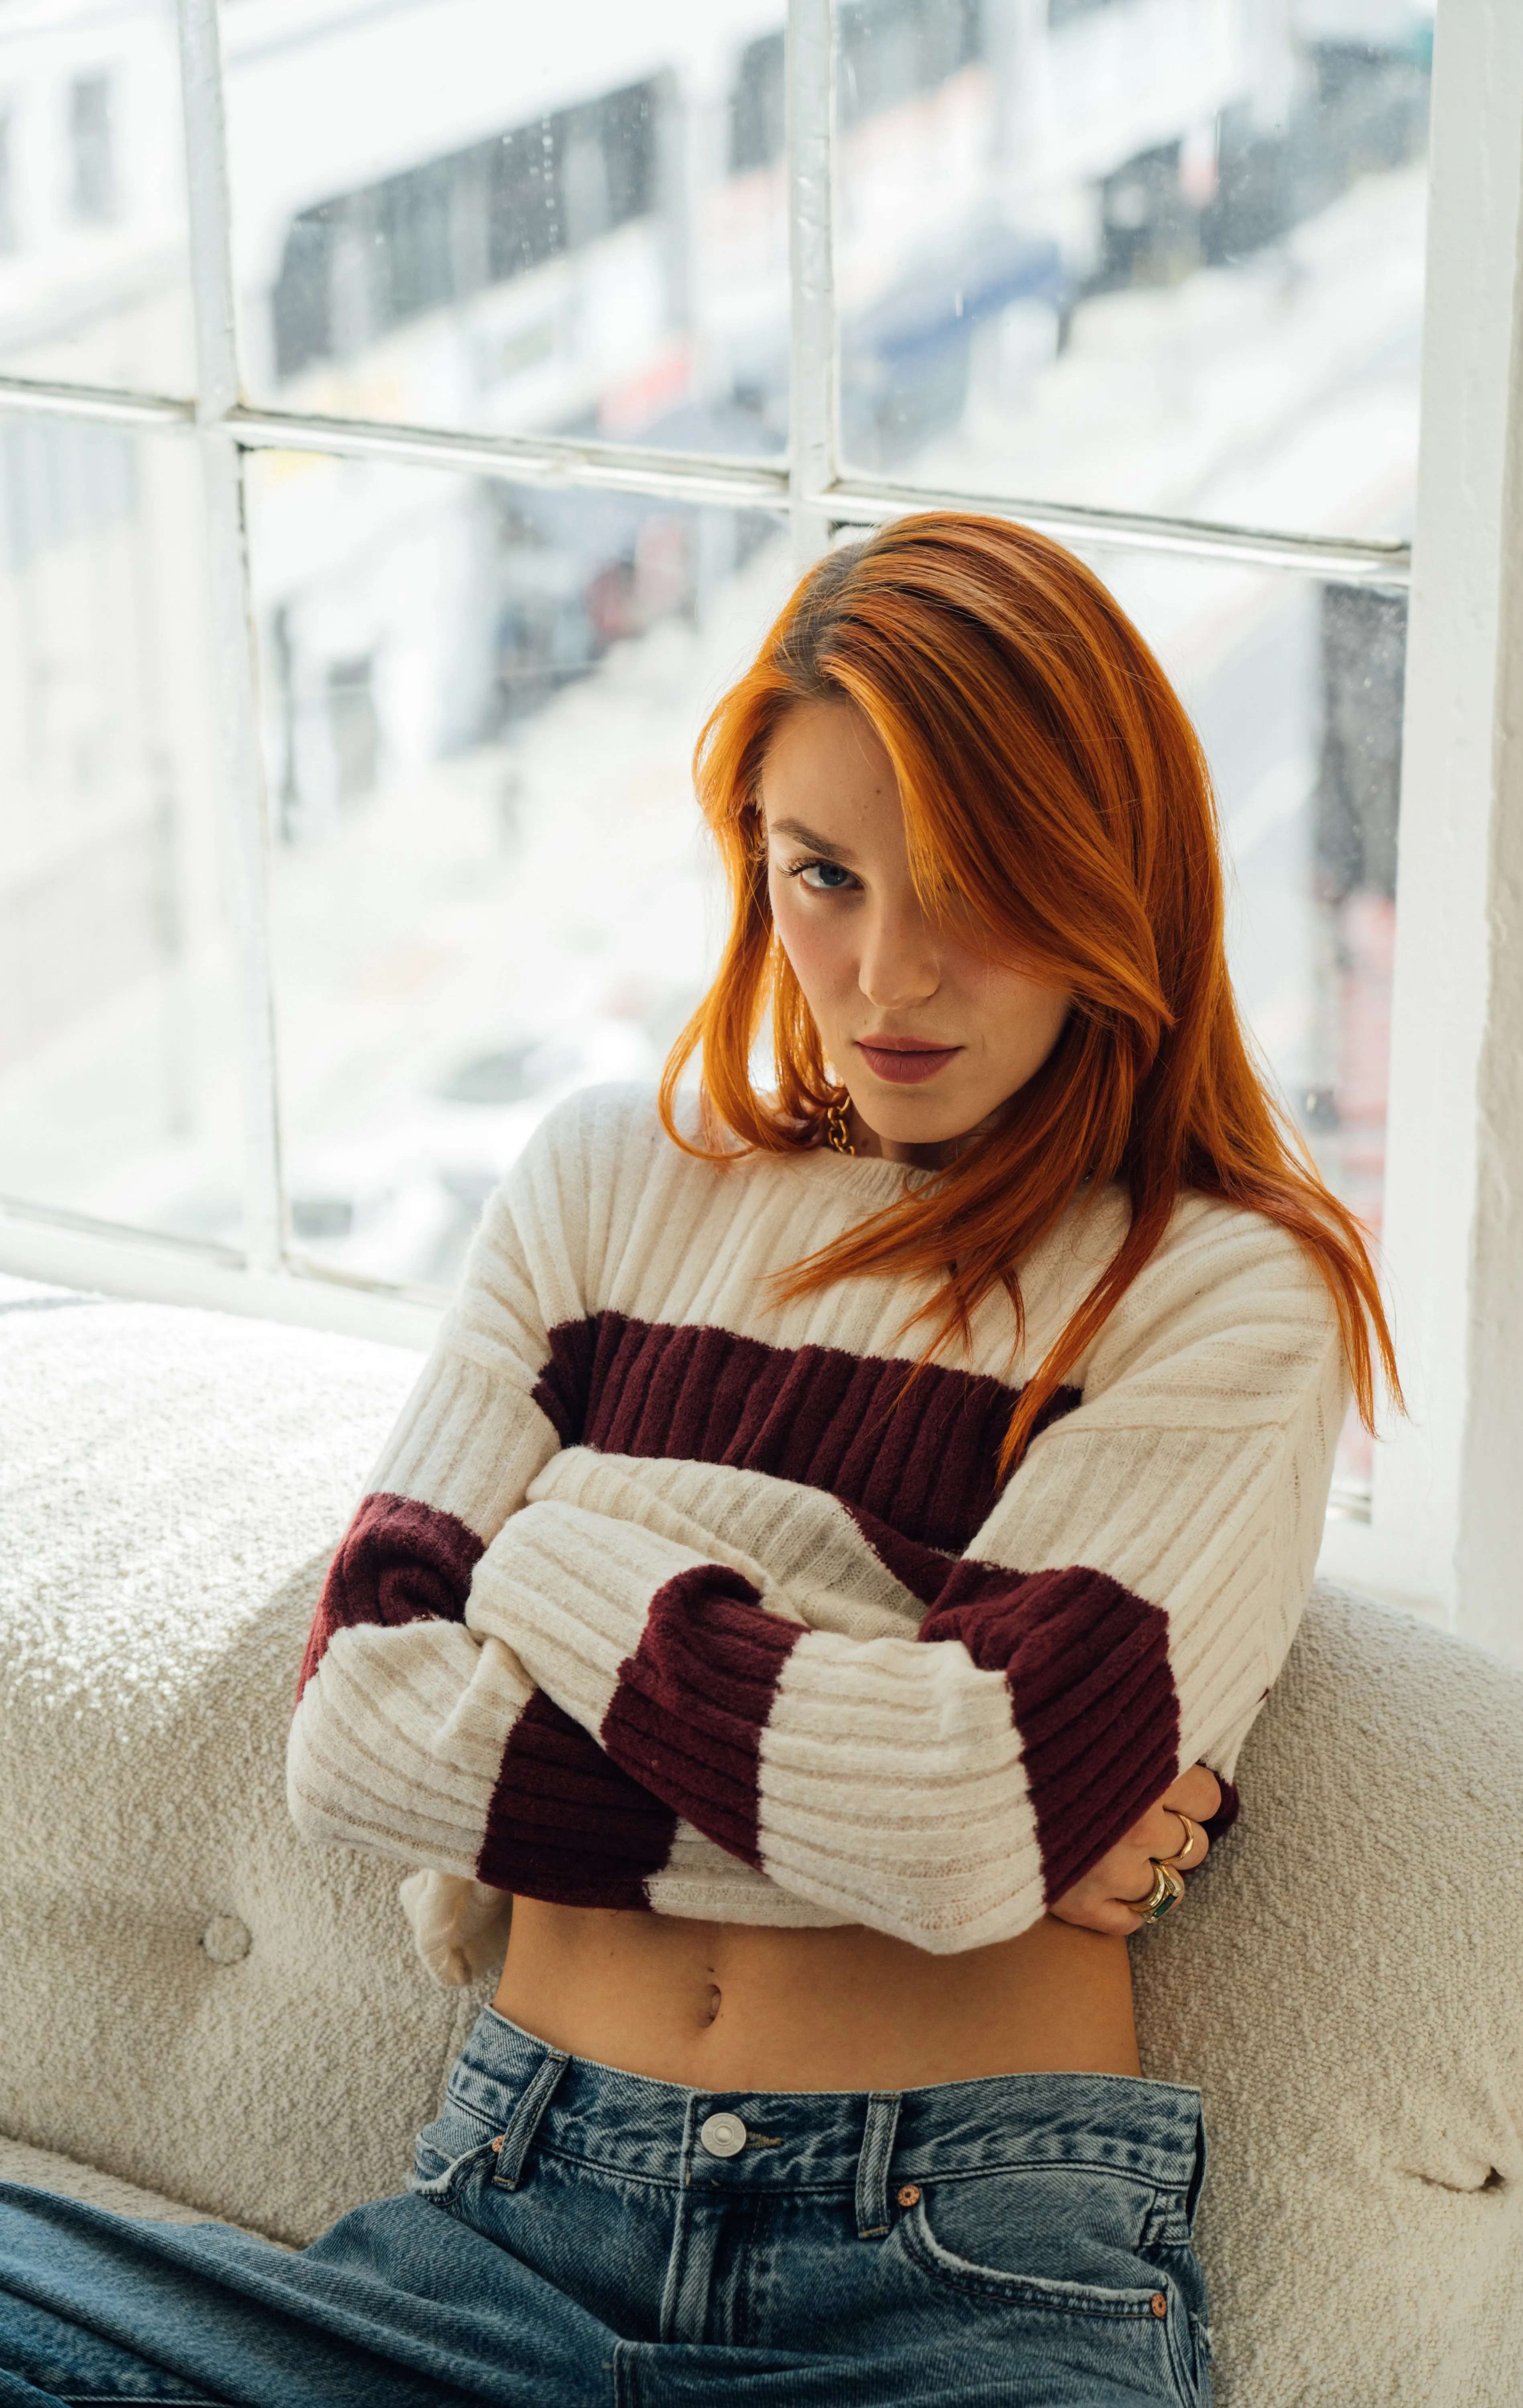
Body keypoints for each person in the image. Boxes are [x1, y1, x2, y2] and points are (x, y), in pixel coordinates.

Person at [0, 514, 1395, 2407]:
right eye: (823, 875)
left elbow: (964, 1817)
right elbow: (359, 1731)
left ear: (1108, 884)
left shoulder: (1218, 1290)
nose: (884, 974)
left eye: (969, 886)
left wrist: (566, 1543)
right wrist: (894, 1792)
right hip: (502, 2225)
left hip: (954, 2278)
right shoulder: (600, 1181)